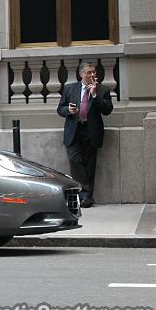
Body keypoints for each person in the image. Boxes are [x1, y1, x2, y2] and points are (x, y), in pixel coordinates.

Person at [57, 61, 114, 208]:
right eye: (89, 72)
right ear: (81, 74)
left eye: (94, 72)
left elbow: (107, 110)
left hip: (91, 132)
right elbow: (60, 109)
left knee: (90, 165)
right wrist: (67, 110)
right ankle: (84, 194)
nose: (92, 75)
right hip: (74, 131)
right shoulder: (70, 88)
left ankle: (87, 198)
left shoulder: (102, 90)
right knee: (75, 161)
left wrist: (95, 95)